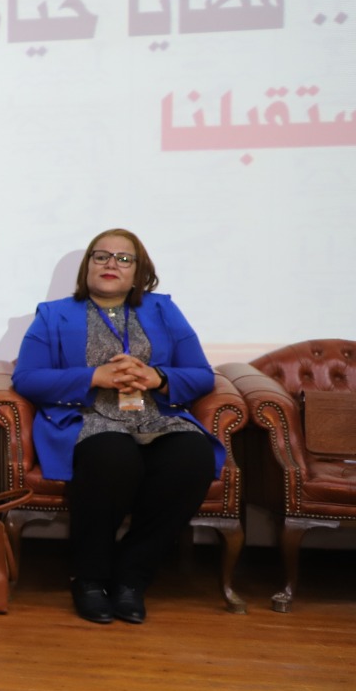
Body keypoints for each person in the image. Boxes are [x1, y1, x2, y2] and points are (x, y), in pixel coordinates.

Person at [12, 228, 223, 625]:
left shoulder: (164, 310)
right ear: (87, 266)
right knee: (112, 456)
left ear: (139, 271)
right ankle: (89, 577)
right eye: (101, 256)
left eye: (124, 259)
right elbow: (26, 379)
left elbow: (202, 375)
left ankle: (132, 576)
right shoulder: (53, 314)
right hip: (88, 416)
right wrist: (94, 377)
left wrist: (158, 377)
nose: (111, 264)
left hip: (156, 414)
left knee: (193, 456)